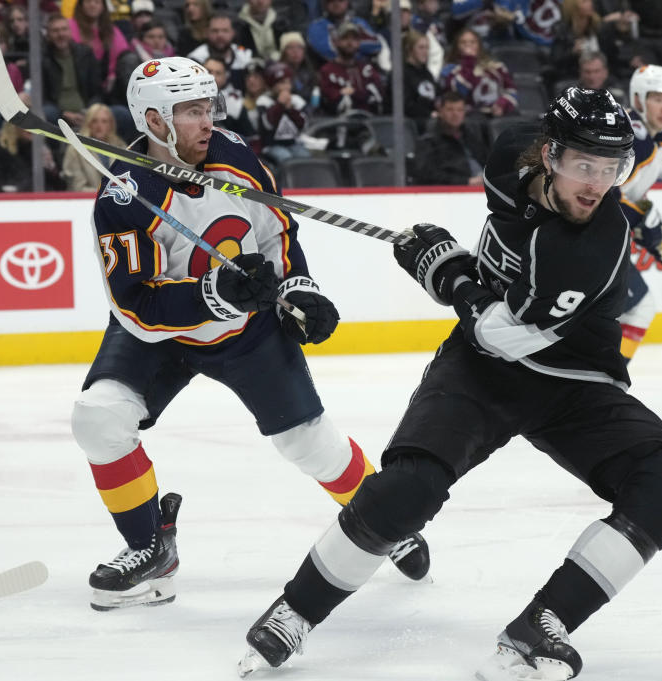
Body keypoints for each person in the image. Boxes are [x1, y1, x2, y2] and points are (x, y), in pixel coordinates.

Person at [237, 87, 662, 681]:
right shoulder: (508, 156)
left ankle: (542, 625)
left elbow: (506, 335)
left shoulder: (595, 243)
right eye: (585, 164)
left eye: (611, 169)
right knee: (407, 491)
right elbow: (489, 323)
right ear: (548, 155)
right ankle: (293, 612)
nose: (597, 184)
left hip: (571, 378)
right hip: (480, 373)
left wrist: (447, 273)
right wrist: (453, 269)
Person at [70, 56, 430, 611]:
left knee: (310, 444)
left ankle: (384, 520)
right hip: (162, 335)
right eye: (191, 111)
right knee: (99, 417)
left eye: (207, 107)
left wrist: (298, 288)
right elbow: (136, 304)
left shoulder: (233, 154)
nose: (207, 121)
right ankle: (149, 550)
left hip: (246, 332)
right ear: (155, 122)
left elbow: (277, 231)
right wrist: (212, 293)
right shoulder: (122, 198)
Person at [616, 64, 662, 361]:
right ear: (639, 99)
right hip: (584, 236)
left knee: (635, 309)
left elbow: (632, 194)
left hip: (603, 239)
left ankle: (600, 378)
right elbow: (603, 196)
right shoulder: (634, 137)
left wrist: (653, 221)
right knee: (636, 308)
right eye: (657, 98)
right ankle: (602, 379)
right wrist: (645, 223)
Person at [412, 90, 487, 185]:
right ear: (441, 111)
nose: (455, 114)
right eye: (450, 109)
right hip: (452, 193)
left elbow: (486, 161)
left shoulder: (472, 136)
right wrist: (466, 182)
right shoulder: (428, 141)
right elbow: (427, 175)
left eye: (459, 110)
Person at [42, 13, 103, 128]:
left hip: (86, 110)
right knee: (47, 112)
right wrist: (64, 114)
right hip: (57, 113)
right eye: (55, 31)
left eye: (64, 29)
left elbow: (97, 91)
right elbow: (42, 97)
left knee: (120, 113)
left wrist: (88, 112)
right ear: (48, 35)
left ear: (70, 32)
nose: (61, 34)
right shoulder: (43, 60)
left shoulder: (85, 54)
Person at [440, 28, 517, 118]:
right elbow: (459, 93)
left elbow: (511, 91)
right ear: (457, 47)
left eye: (472, 42)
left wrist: (502, 104)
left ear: (479, 45)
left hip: (497, 112)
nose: (468, 45)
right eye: (463, 42)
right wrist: (469, 61)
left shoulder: (496, 68)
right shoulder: (449, 70)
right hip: (469, 116)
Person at [317, 21, 386, 116]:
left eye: (354, 39)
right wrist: (360, 94)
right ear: (336, 42)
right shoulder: (327, 70)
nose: (350, 43)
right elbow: (330, 99)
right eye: (345, 38)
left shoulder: (367, 69)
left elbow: (377, 95)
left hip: (369, 123)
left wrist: (351, 93)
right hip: (337, 125)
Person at [61, 102, 125, 191]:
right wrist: (107, 194)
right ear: (88, 123)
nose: (99, 126)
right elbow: (77, 188)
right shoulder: (75, 150)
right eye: (94, 121)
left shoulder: (121, 147)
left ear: (110, 125)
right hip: (85, 202)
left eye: (104, 121)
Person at [256, 61, 311, 163]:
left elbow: (304, 124)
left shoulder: (297, 100)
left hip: (294, 143)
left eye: (288, 82)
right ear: (272, 85)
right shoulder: (264, 101)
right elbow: (268, 125)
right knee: (286, 158)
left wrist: (290, 109)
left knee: (305, 157)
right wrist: (280, 105)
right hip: (271, 145)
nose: (286, 86)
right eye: (281, 83)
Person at [188, 11, 254, 90]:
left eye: (225, 30)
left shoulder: (244, 54)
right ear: (207, 33)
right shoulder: (195, 59)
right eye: (215, 31)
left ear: (233, 33)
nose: (220, 35)